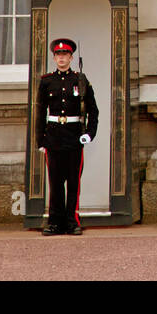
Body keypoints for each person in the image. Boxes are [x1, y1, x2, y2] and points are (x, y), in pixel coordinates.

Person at [36, 38, 98, 236]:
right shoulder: (46, 81)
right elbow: (40, 112)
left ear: (71, 58)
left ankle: (72, 221)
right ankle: (55, 222)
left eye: (65, 55)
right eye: (58, 55)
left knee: (73, 182)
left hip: (73, 137)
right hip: (54, 137)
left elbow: (93, 111)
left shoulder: (80, 80)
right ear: (54, 58)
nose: (61, 58)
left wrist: (89, 134)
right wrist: (40, 139)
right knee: (55, 182)